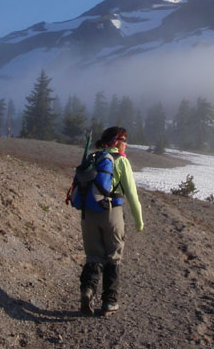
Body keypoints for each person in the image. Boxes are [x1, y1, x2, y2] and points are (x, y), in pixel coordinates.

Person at [79, 126, 143, 317]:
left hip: (88, 214)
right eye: (124, 139)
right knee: (113, 256)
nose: (126, 143)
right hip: (111, 212)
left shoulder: (93, 158)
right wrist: (139, 221)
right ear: (116, 141)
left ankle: (88, 290)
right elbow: (131, 194)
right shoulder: (121, 161)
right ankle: (109, 302)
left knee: (93, 256)